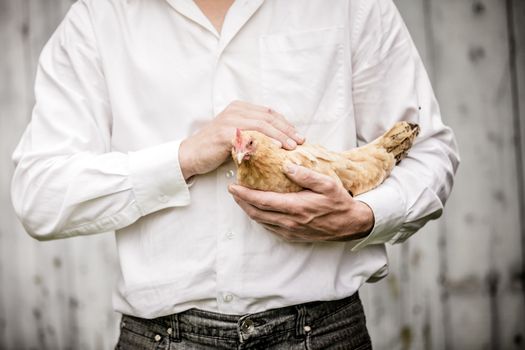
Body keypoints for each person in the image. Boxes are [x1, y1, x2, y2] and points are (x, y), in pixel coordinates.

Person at [11, 0, 459, 348]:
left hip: (320, 333)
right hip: (161, 339)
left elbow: (427, 150)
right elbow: (39, 194)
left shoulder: (349, 5)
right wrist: (183, 158)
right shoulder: (99, 18)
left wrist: (363, 217)